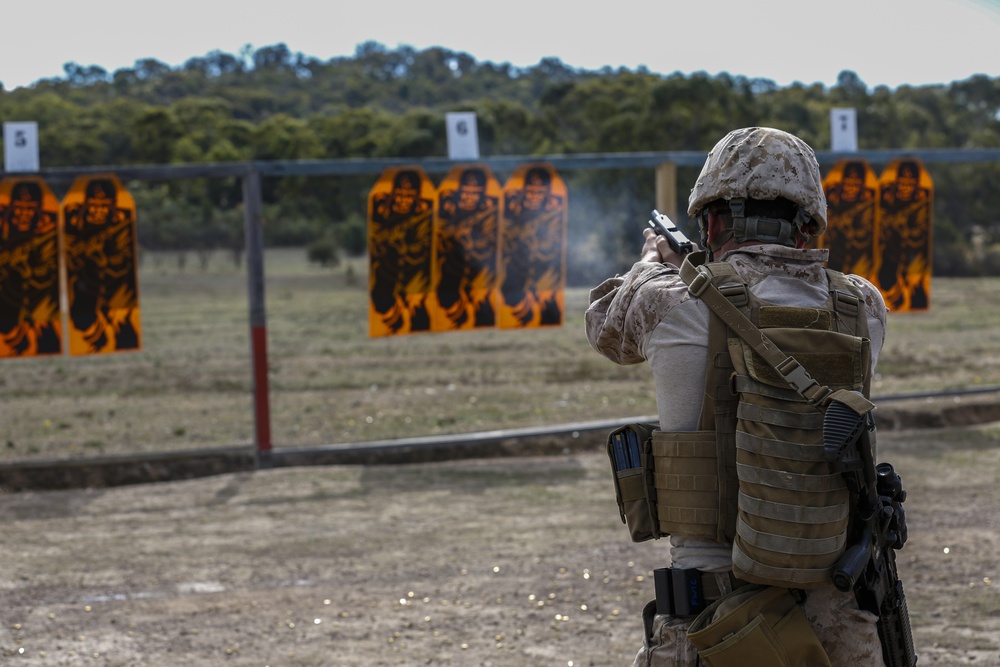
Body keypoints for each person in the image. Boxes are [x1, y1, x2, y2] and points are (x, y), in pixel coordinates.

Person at [586, 127, 889, 666]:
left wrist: (652, 262)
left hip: (716, 622)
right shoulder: (863, 304)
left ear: (713, 220)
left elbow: (604, 329)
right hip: (836, 614)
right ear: (807, 223)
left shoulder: (670, 298)